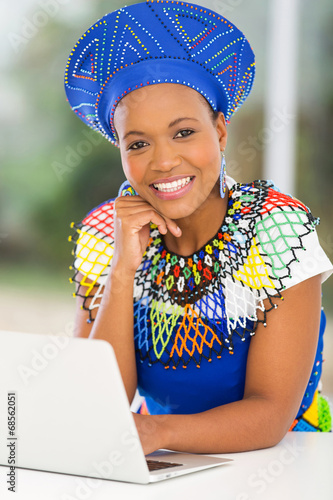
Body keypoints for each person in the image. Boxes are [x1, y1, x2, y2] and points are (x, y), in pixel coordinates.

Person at [65, 0, 333, 455]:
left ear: (221, 132)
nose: (164, 161)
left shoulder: (275, 232)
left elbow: (269, 415)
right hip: (165, 464)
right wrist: (122, 271)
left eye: (184, 132)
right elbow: (101, 403)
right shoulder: (105, 233)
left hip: (287, 460)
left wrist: (158, 435)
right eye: (139, 143)